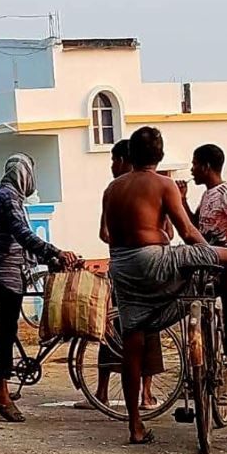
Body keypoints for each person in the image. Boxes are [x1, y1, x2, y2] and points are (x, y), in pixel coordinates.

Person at [103, 127, 227, 445]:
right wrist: (208, 254)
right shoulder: (163, 184)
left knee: (132, 342)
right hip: (154, 261)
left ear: (129, 155)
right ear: (159, 156)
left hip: (121, 267)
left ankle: (135, 425)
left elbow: (108, 233)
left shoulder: (112, 188)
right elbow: (189, 232)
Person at [0, 153, 78, 422]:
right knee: (7, 330)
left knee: (8, 329)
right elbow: (23, 234)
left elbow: (21, 239)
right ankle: (0, 391)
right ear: (25, 176)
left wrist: (50, 258)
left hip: (10, 269)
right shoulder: (8, 198)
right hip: (2, 270)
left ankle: (5, 385)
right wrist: (55, 251)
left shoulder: (8, 195)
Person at [76, 140, 165, 412]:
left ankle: (139, 395)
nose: (113, 166)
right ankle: (119, 394)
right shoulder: (121, 190)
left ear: (127, 160)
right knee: (124, 330)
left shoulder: (119, 189)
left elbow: (106, 234)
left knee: (128, 331)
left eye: (115, 160)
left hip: (128, 268)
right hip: (143, 269)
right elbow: (169, 233)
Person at [179, 144, 227, 249]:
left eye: (195, 164)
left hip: (223, 258)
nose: (192, 170)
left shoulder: (226, 194)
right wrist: (183, 199)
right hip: (211, 257)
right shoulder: (207, 194)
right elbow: (195, 224)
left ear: (206, 167)